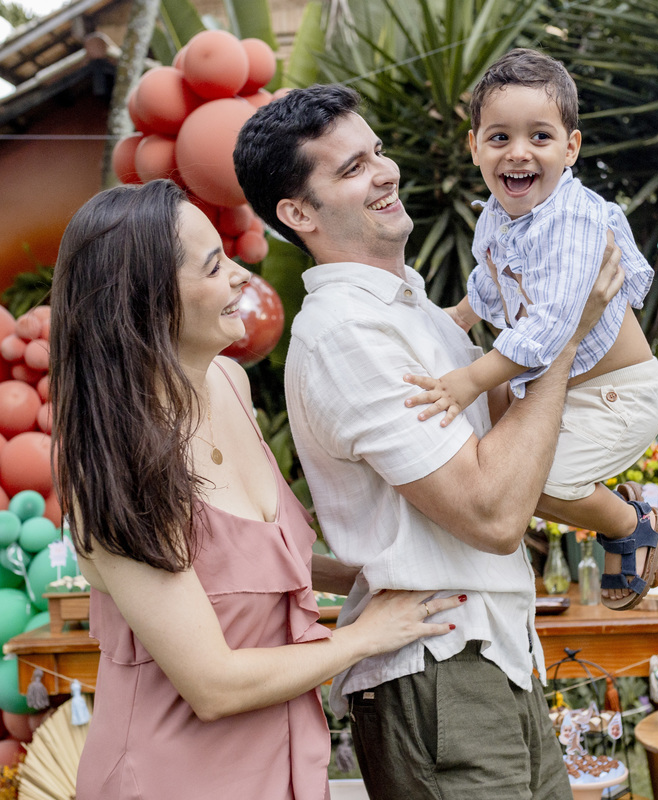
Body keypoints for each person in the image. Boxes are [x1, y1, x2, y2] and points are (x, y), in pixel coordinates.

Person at [234, 85, 623, 800]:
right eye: (352, 168)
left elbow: (514, 458)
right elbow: (491, 513)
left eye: (377, 152)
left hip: (492, 652)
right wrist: (564, 333)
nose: (386, 173)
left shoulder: (420, 314)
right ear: (298, 214)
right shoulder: (348, 332)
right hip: (438, 669)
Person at [49, 179, 464, 800]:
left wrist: (376, 573)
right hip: (173, 780)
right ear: (145, 302)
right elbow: (213, 684)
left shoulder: (228, 383)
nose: (243, 276)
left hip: (282, 764)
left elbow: (249, 563)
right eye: (214, 265)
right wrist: (367, 635)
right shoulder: (120, 466)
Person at [404, 48, 658, 610]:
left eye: (540, 137)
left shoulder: (572, 219)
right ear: (474, 146)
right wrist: (459, 316)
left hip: (617, 396)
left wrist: (469, 379)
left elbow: (549, 329)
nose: (518, 152)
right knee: (496, 462)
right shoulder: (500, 214)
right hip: (563, 387)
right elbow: (491, 279)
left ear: (570, 148)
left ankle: (631, 522)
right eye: (499, 137)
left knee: (531, 484)